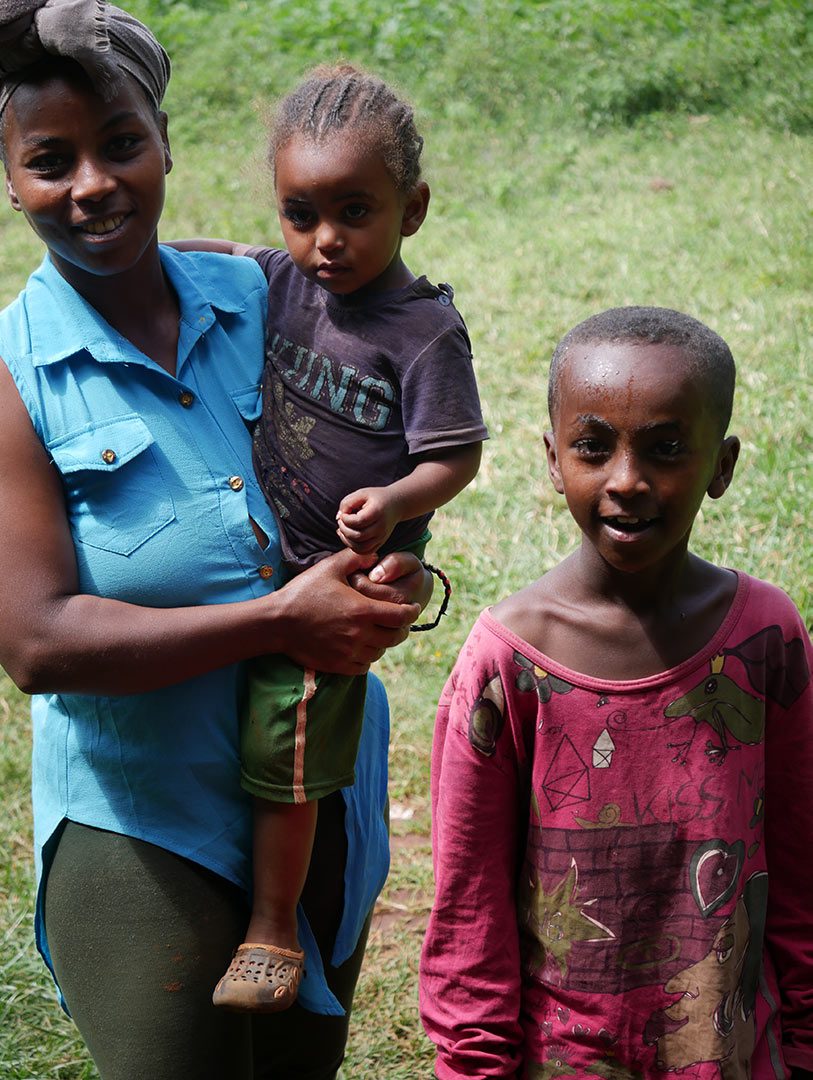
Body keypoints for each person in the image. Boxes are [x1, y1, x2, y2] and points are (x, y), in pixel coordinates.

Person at [0, 6, 431, 1078]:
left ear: (164, 145)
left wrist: (397, 565)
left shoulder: (262, 294)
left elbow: (383, 427)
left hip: (313, 784)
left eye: (121, 143)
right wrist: (283, 618)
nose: (94, 183)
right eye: (51, 161)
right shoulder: (15, 375)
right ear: (9, 181)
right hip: (144, 823)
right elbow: (38, 644)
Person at [419, 306, 813, 1079]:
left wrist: (802, 1044)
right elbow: (470, 911)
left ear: (722, 466)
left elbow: (800, 865)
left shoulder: (765, 638)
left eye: (666, 449)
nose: (626, 480)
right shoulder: (507, 664)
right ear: (552, 459)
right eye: (592, 448)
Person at [172, 63, 487, 1013]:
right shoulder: (283, 279)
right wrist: (146, 250)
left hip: (342, 578)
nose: (325, 241)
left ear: (413, 208)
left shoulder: (422, 332)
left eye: (354, 211)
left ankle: (273, 926)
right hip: (257, 551)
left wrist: (395, 501)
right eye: (299, 213)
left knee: (288, 740)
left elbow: (457, 457)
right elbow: (215, 255)